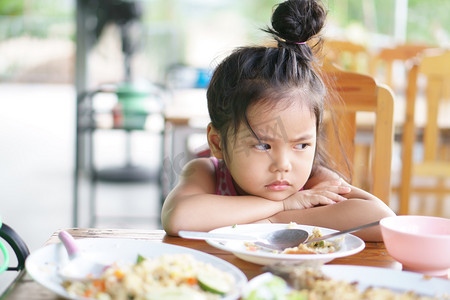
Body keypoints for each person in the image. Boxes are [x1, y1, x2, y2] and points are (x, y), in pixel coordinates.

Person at [161, 0, 395, 241]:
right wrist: (283, 206)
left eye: (302, 145)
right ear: (218, 143)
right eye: (263, 145)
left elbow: (382, 221)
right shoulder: (207, 172)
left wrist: (271, 222)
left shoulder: (315, 181)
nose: (283, 165)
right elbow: (179, 218)